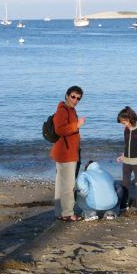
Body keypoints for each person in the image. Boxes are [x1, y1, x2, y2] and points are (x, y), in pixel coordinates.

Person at [51, 86, 85, 222]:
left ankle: (60, 212)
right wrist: (76, 125)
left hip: (65, 152)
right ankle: (68, 213)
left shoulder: (70, 110)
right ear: (66, 95)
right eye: (73, 97)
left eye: (78, 98)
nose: (75, 100)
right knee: (68, 185)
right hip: (66, 153)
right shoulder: (62, 110)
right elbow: (59, 130)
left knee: (61, 184)